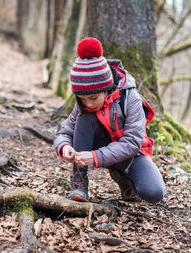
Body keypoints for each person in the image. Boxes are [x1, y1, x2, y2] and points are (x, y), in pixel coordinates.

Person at [53, 37, 165, 203]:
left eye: (93, 98)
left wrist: (95, 156)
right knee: (84, 117)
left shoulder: (131, 98)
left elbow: (133, 143)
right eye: (82, 99)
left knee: (154, 192)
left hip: (132, 154)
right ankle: (78, 182)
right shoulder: (85, 105)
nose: (88, 104)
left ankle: (124, 178)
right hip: (102, 144)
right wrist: (64, 147)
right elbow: (65, 131)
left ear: (106, 87)